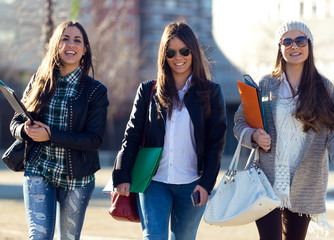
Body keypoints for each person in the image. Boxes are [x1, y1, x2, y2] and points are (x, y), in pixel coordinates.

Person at [233, 20, 334, 240]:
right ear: (280, 48)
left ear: (309, 46)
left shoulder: (324, 88)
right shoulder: (265, 85)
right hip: (267, 182)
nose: (294, 46)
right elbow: (240, 123)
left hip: (305, 185)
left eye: (300, 41)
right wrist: (253, 135)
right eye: (287, 42)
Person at [112, 22, 227, 240]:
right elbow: (132, 136)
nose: (178, 57)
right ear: (164, 55)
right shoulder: (148, 91)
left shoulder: (211, 93)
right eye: (171, 52)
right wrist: (122, 174)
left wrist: (206, 184)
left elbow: (216, 145)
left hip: (193, 185)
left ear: (193, 51)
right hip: (154, 183)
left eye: (184, 51)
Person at [10, 21, 109, 239]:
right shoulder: (40, 80)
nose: (70, 44)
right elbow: (15, 123)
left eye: (77, 40)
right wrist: (25, 130)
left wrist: (50, 136)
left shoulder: (96, 91)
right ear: (56, 45)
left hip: (78, 179)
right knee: (39, 236)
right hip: (39, 170)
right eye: (65, 39)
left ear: (84, 50)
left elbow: (94, 139)